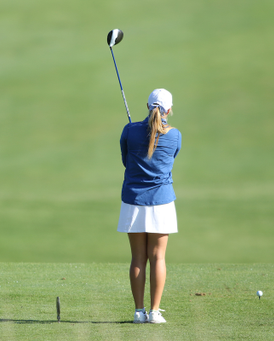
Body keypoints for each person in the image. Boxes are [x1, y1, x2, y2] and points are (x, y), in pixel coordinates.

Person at [117, 88, 182, 324]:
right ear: (169, 110)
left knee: (138, 258)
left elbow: (126, 161)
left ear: (147, 106)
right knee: (158, 258)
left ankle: (138, 312)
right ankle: (154, 312)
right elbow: (171, 159)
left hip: (133, 200)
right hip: (162, 201)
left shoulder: (130, 130)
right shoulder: (175, 135)